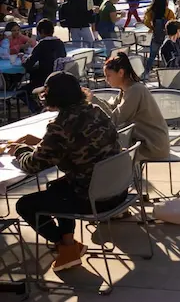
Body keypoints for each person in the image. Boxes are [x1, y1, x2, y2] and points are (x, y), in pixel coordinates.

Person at [12, 71, 123, 272]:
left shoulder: (59, 126)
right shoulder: (96, 110)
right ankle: (69, 243)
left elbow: (32, 165)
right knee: (57, 186)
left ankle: (64, 247)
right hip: (117, 188)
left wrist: (19, 149)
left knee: (25, 205)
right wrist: (40, 144)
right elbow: (77, 142)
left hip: (94, 198)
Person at [93, 52, 170, 161]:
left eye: (108, 76)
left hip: (153, 146)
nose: (106, 80)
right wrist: (93, 99)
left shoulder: (135, 91)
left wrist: (94, 100)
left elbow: (114, 119)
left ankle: (125, 178)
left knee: (107, 153)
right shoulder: (127, 89)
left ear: (120, 73)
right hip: (148, 141)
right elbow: (111, 108)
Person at [22, 19, 67, 113]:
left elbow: (28, 64)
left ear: (41, 32)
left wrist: (23, 58)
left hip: (44, 79)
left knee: (22, 91)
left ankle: (36, 109)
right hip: (59, 78)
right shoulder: (60, 43)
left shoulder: (42, 44)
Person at [143, 0, 176, 75]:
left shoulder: (151, 11)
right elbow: (173, 22)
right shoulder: (168, 12)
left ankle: (146, 73)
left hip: (156, 36)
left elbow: (146, 21)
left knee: (151, 56)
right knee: (167, 55)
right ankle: (168, 72)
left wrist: (152, 28)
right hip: (166, 37)